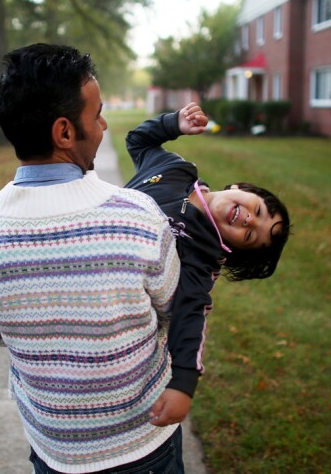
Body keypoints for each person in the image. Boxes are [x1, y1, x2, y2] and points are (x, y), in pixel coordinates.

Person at [0, 43, 187, 474]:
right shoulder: (136, 216)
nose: (102, 126)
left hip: (53, 447)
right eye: (96, 114)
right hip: (142, 443)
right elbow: (173, 308)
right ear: (64, 132)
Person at [125, 102, 291, 405]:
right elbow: (137, 141)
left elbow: (190, 314)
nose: (249, 220)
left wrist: (183, 383)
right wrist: (174, 124)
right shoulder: (175, 170)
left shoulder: (200, 257)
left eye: (250, 235)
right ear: (241, 187)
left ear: (236, 248)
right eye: (257, 209)